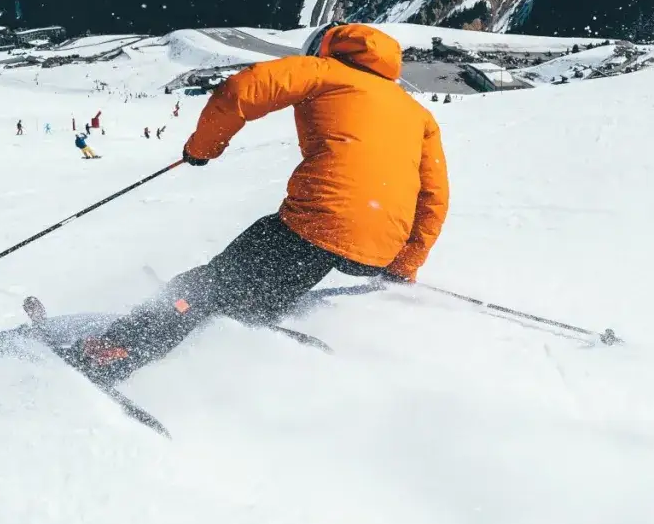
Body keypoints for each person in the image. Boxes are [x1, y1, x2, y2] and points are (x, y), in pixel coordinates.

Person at [77, 23, 449, 379]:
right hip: (378, 247)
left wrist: (203, 148)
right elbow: (435, 197)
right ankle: (252, 312)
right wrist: (404, 265)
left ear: (326, 48)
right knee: (290, 265)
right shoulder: (419, 114)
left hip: (318, 223)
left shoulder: (324, 71)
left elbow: (240, 90)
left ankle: (119, 347)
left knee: (206, 285)